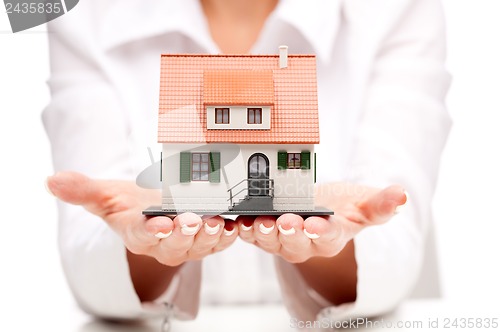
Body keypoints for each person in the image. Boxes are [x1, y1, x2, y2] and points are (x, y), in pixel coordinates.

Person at [43, 0, 451, 324]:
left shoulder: (398, 7)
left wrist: (327, 243)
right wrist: (144, 242)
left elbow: (394, 250)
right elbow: (90, 274)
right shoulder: (76, 11)